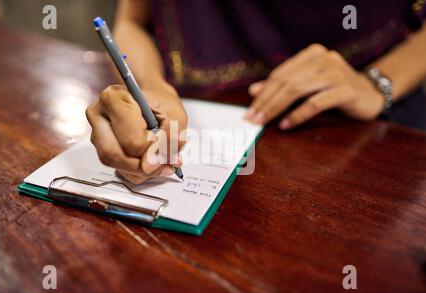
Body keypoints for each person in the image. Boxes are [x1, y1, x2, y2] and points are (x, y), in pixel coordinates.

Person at [86, 0, 426, 184]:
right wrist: (151, 87)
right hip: (204, 107)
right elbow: (134, 22)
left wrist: (377, 82)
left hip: (370, 124)